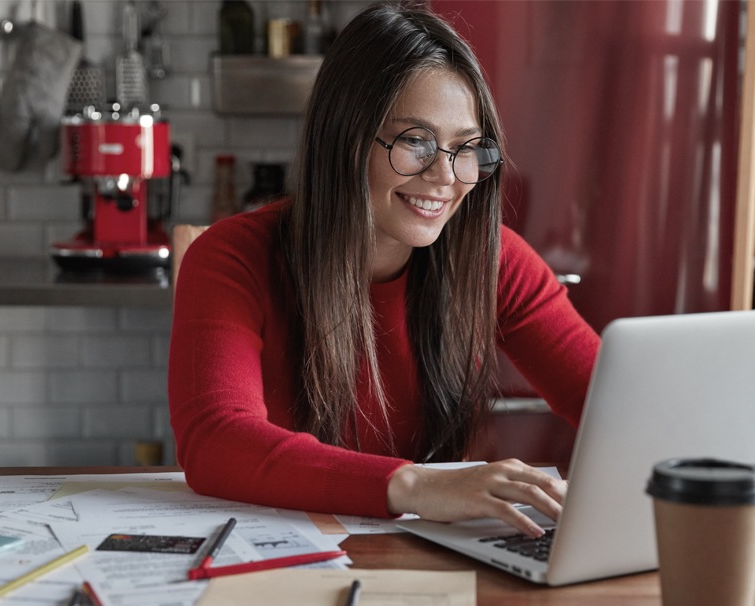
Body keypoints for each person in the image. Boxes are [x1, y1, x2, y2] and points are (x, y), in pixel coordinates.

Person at [169, 1, 600, 538]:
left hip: (427, 557)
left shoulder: (493, 260)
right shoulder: (233, 258)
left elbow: (610, 403)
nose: (446, 175)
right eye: (415, 141)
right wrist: (417, 486)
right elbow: (216, 441)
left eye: (466, 147)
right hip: (279, 555)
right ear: (345, 140)